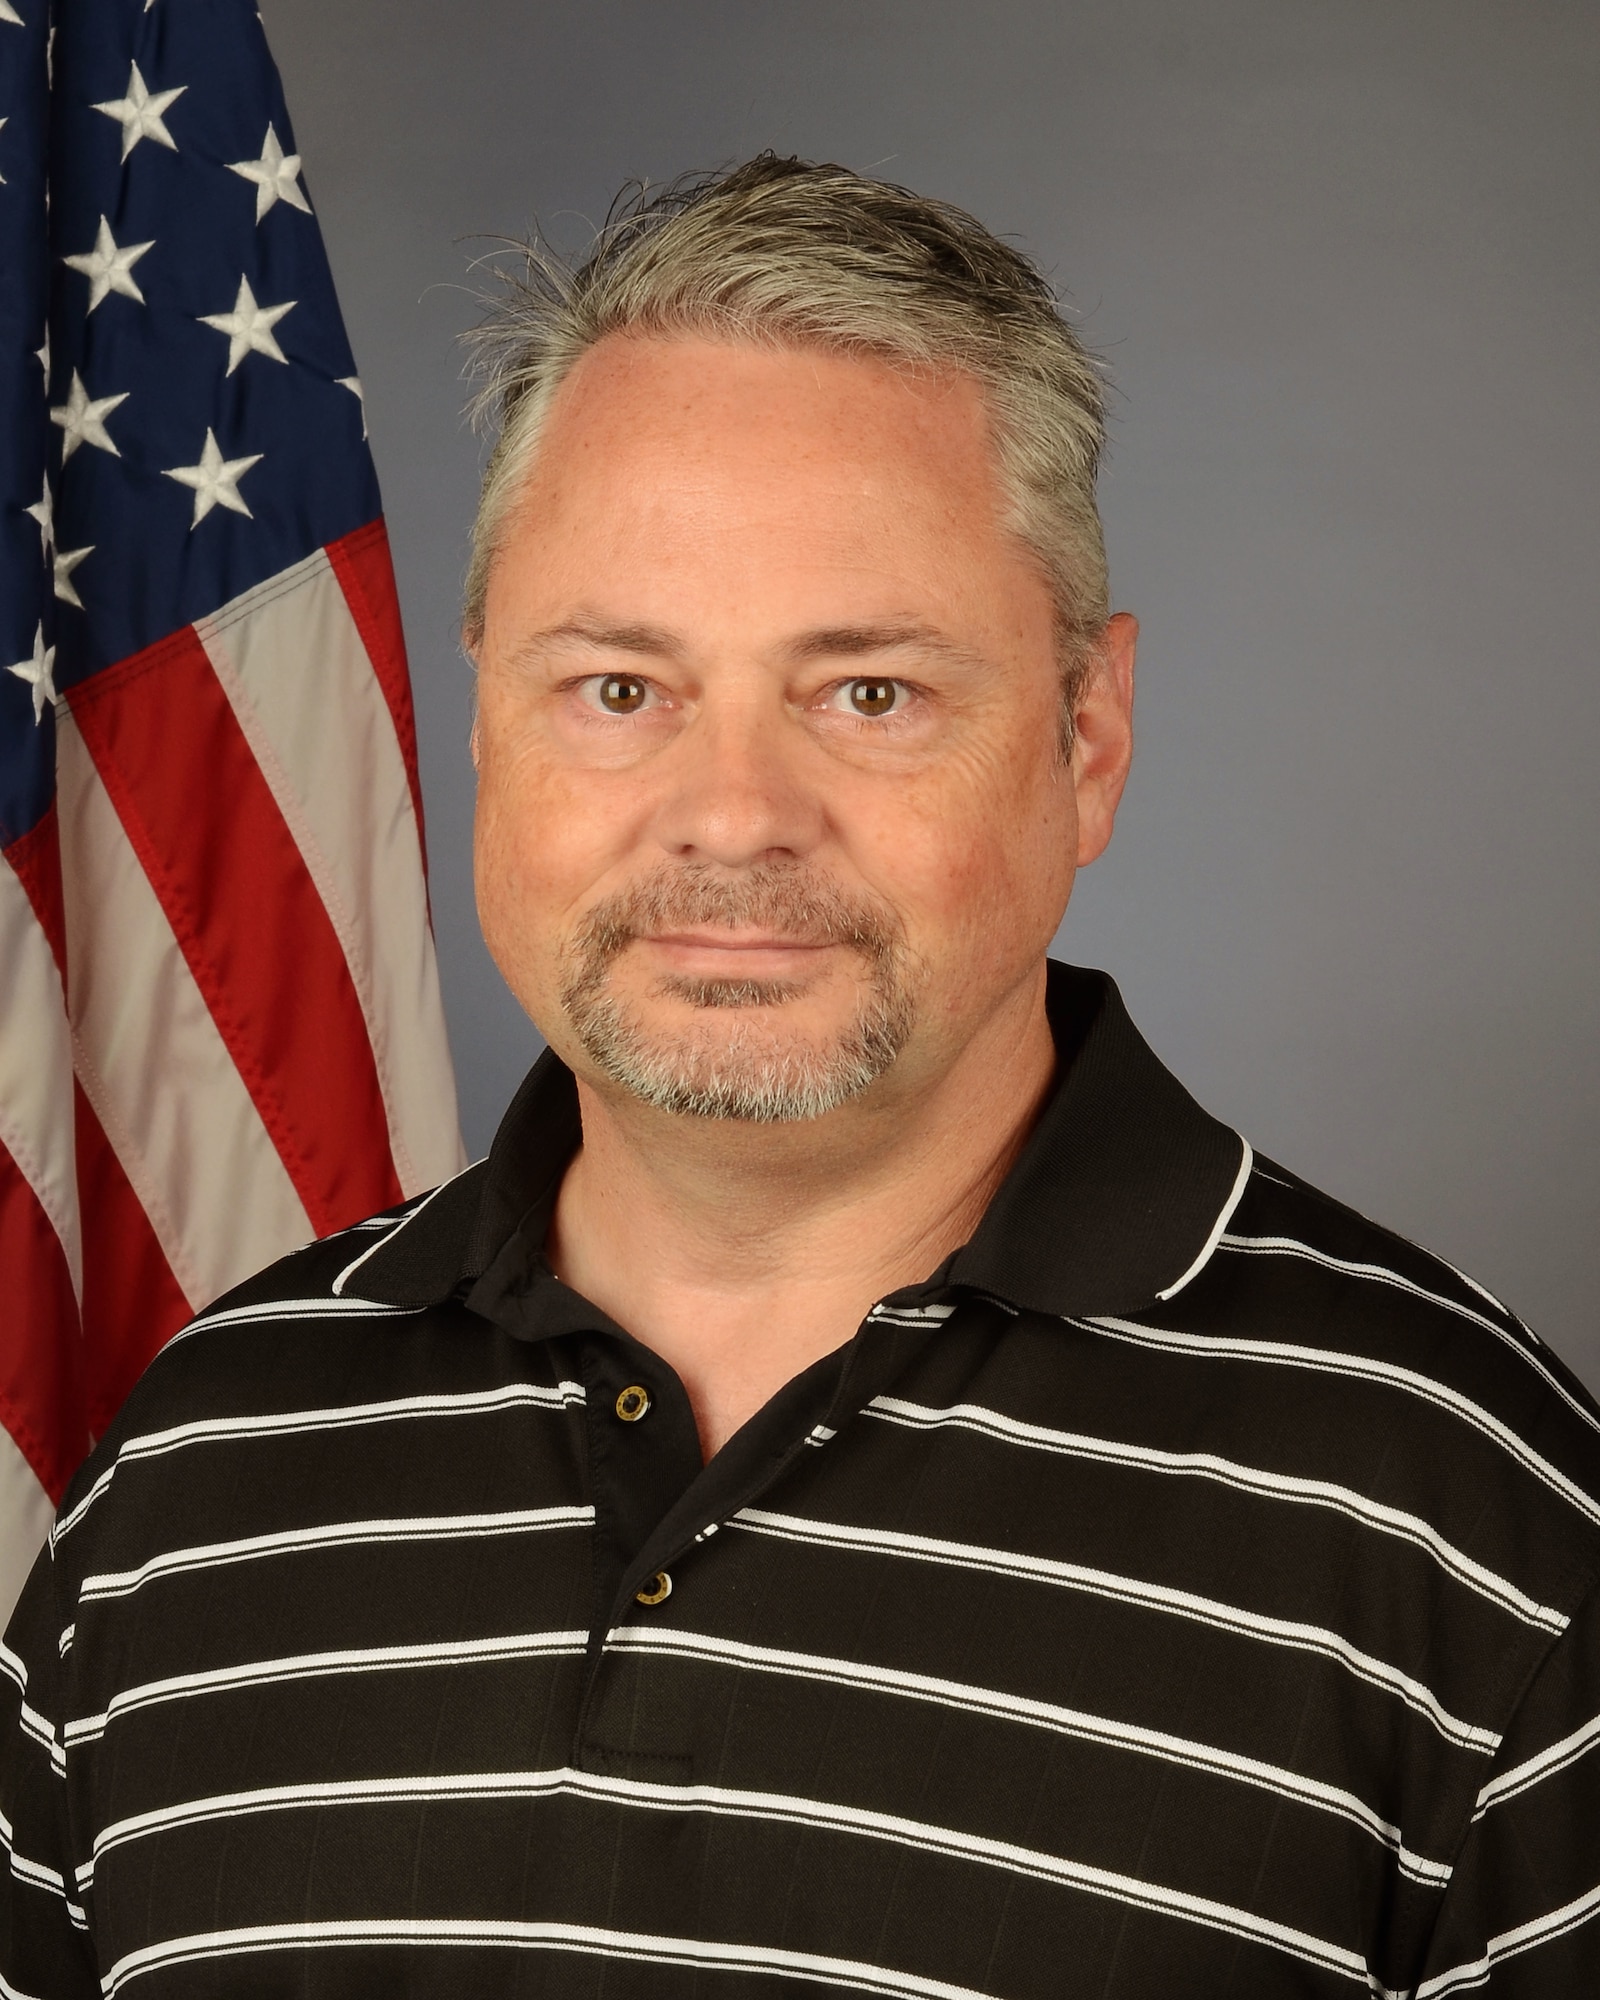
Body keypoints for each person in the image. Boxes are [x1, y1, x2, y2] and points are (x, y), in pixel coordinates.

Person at [3, 154, 1597, 2000]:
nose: (733, 815)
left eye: (868, 695)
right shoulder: (205, 1470)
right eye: (618, 688)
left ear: (1089, 739)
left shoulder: (1468, 1526)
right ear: (485, 722)